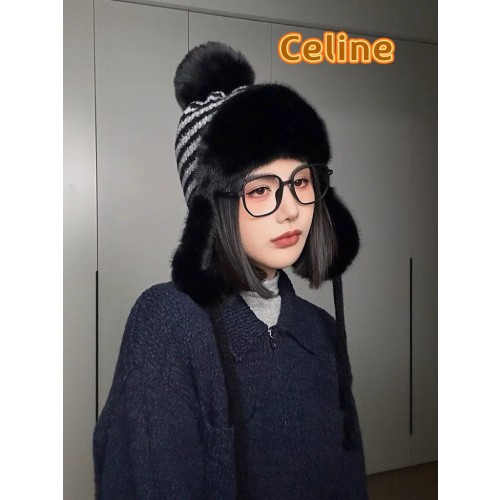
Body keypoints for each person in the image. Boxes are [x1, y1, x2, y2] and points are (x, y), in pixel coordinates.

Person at [93, 41, 368, 499]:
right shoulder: (168, 324)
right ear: (209, 211)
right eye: (260, 189)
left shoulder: (320, 331)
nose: (292, 210)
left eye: (301, 182)